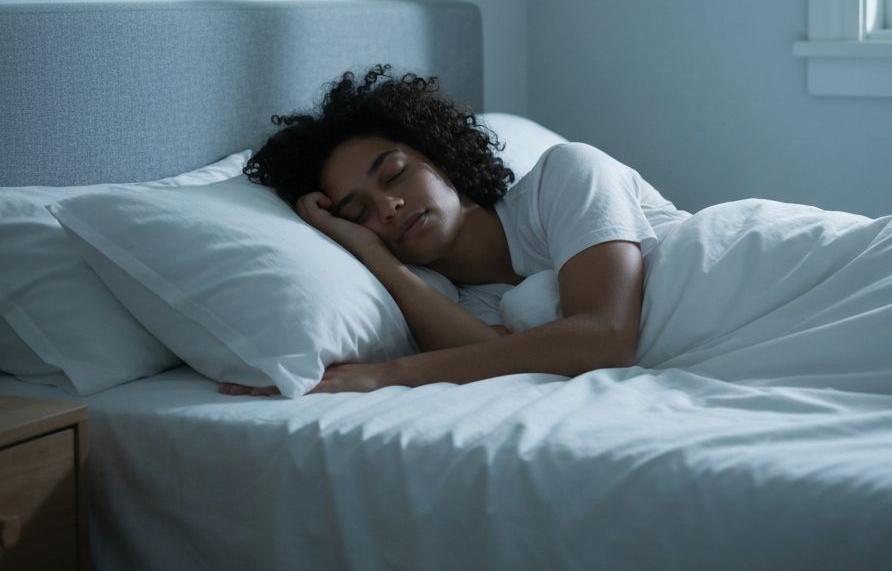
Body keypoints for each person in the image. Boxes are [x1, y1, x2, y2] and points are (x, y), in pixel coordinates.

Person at [219, 64, 685, 396]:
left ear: (440, 156)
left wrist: (388, 375)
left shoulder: (565, 174)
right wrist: (373, 254)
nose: (387, 206)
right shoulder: (447, 304)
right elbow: (509, 362)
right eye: (357, 211)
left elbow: (605, 336)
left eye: (395, 174)